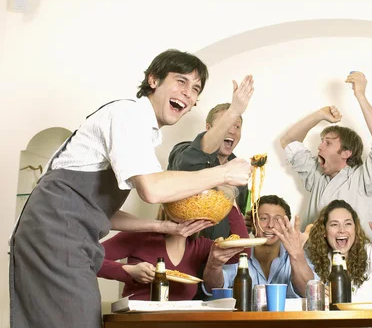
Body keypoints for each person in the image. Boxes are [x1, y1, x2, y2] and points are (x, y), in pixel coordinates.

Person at [9, 49, 252, 328]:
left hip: (63, 234)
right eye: (181, 81)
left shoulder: (144, 134)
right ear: (153, 80)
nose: (188, 93)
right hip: (54, 234)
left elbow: (100, 212)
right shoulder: (128, 115)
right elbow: (152, 190)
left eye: (195, 88)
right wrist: (223, 172)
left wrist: (166, 228)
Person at [280, 71, 372, 235]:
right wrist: (319, 115)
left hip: (354, 259)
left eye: (328, 143)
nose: (319, 147)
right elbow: (288, 142)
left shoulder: (364, 179)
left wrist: (360, 95)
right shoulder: (316, 175)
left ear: (346, 153)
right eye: (321, 141)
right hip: (310, 259)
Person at [98, 200, 247, 301]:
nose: (186, 211)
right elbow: (89, 259)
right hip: (138, 321)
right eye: (181, 204)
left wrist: (229, 203)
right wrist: (129, 271)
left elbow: (243, 251)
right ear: (167, 207)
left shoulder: (200, 246)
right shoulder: (139, 236)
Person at [167, 75, 253, 240]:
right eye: (226, 124)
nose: (232, 131)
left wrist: (245, 223)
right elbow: (189, 164)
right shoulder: (183, 151)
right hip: (182, 248)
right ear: (209, 128)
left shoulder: (238, 170)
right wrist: (234, 110)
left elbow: (235, 218)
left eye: (237, 126)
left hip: (219, 256)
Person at [202, 195, 316, 298]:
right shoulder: (238, 252)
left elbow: (309, 292)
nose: (270, 225)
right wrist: (214, 265)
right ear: (252, 223)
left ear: (286, 225)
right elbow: (213, 288)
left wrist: (297, 255)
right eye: (263, 218)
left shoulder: (297, 255)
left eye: (277, 219)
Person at [307, 199, 372, 302]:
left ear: (355, 228)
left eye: (348, 224)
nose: (342, 230)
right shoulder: (316, 258)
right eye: (334, 224)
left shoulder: (371, 251)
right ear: (324, 231)